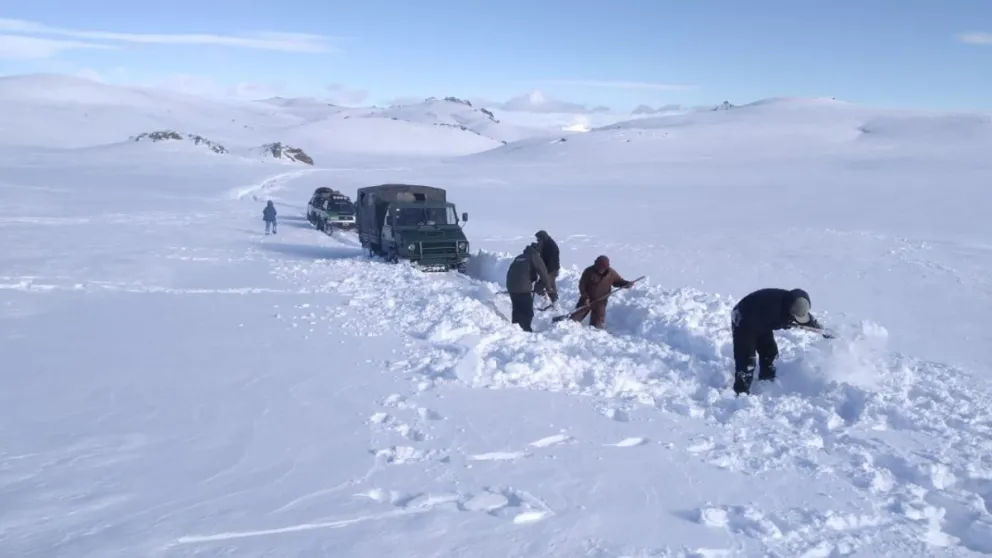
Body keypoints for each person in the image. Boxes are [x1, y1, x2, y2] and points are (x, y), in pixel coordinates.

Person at [730, 288, 824, 395]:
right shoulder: (774, 308)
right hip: (744, 318)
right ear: (790, 308)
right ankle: (741, 393)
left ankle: (767, 379)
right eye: (793, 316)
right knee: (747, 360)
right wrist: (785, 322)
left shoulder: (794, 305)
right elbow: (749, 336)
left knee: (770, 353)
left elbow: (807, 320)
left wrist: (822, 330)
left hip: (763, 321)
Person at [571, 255, 633, 329]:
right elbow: (582, 285)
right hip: (587, 299)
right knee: (574, 318)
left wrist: (626, 284)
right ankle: (567, 325)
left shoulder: (611, 273)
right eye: (599, 268)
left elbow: (618, 281)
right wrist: (585, 297)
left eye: (603, 268)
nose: (601, 270)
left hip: (601, 301)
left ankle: (594, 333)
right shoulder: (589, 271)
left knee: (597, 325)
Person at [505, 242, 554, 332]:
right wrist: (548, 287)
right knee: (527, 311)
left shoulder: (520, 257)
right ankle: (526, 330)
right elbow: (543, 272)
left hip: (511, 287)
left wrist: (533, 279)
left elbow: (521, 272)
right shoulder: (534, 256)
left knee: (517, 309)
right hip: (522, 288)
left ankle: (515, 330)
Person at [533, 230, 560, 304]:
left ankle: (550, 303)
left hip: (551, 270)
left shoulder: (551, 246)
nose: (538, 241)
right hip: (549, 270)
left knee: (546, 286)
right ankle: (553, 303)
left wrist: (545, 273)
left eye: (539, 239)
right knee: (548, 286)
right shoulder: (546, 244)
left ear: (543, 238)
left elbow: (549, 260)